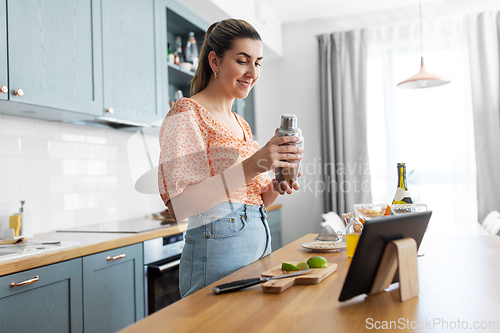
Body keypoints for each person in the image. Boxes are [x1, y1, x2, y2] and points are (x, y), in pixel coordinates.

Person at [158, 19, 303, 298]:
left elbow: (254, 199)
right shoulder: (187, 114)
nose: (252, 72)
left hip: (258, 246)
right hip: (217, 254)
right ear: (215, 61)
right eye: (242, 60)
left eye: (258, 63)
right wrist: (255, 164)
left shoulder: (241, 124)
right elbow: (180, 206)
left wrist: (277, 185)